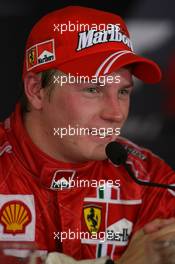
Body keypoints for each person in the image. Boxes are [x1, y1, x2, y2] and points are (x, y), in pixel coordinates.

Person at [0, 5, 175, 264]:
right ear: (36, 90)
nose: (116, 114)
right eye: (93, 89)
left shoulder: (152, 181)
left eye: (123, 92)